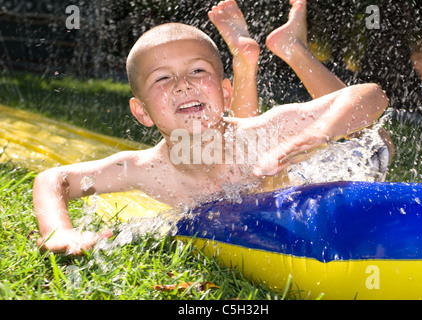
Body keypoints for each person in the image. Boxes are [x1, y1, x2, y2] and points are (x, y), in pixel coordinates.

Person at [33, 1, 389, 255]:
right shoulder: (145, 170)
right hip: (252, 173)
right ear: (141, 112)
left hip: (344, 163)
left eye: (197, 71)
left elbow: (371, 96)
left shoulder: (265, 131)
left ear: (224, 91)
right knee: (248, 160)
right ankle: (247, 61)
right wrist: (58, 231)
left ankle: (293, 49)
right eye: (163, 78)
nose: (183, 84)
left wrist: (320, 134)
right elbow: (53, 179)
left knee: (369, 135)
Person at [209, 0, 394, 183]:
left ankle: (251, 64)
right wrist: (320, 133)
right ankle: (288, 49)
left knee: (246, 171)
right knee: (375, 144)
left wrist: (319, 134)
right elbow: (375, 95)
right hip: (312, 180)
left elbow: (375, 95)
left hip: (299, 181)